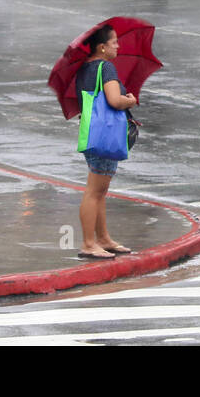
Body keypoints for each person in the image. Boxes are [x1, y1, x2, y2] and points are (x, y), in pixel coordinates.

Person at [75, 25, 138, 259]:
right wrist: (129, 100)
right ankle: (88, 243)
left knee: (99, 191)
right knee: (94, 191)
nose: (118, 46)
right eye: (114, 42)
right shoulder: (106, 67)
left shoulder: (85, 68)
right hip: (105, 135)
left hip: (93, 132)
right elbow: (114, 101)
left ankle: (102, 238)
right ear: (102, 46)